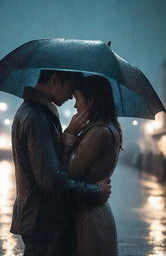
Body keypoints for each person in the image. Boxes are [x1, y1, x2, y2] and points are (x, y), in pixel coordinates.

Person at [10, 70, 112, 256]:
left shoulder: (35, 112)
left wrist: (67, 135)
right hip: (45, 220)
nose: (71, 96)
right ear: (55, 80)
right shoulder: (37, 117)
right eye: (70, 88)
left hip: (39, 218)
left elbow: (46, 163)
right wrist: (95, 191)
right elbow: (52, 181)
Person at [62, 75, 122, 256]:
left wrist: (69, 134)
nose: (74, 105)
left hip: (89, 221)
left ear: (91, 101)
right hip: (95, 214)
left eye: (77, 99)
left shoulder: (98, 132)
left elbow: (69, 170)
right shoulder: (107, 127)